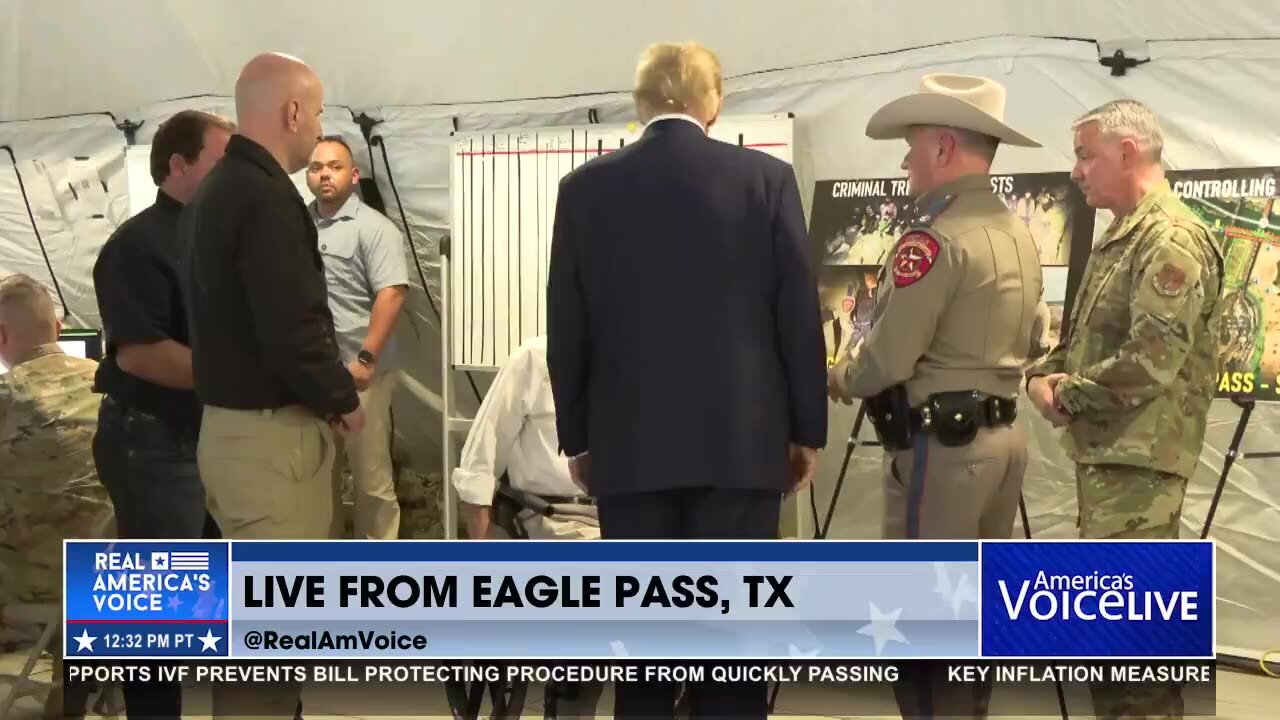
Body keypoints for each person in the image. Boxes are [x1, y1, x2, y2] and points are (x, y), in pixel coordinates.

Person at [546, 41, 825, 720]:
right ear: (715, 100)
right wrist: (805, 430)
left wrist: (579, 439)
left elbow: (567, 326)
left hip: (630, 451)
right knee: (732, 642)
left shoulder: (584, 189)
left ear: (640, 103)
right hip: (742, 447)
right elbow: (796, 315)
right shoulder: (765, 180)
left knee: (645, 644)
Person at [827, 73, 1043, 719]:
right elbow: (1034, 336)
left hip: (942, 454)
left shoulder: (933, 240)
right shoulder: (1016, 233)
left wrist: (835, 375)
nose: (903, 161)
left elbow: (887, 359)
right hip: (1001, 443)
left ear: (945, 147)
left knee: (924, 623)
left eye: (913, 145)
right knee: (973, 620)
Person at [1025, 99, 1224, 720]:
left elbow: (1151, 359)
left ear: (1127, 152)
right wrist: (1040, 378)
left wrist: (1064, 395)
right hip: (1115, 464)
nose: (1077, 171)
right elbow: (1082, 337)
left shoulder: (1171, 239)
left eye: (1086, 155)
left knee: (1130, 661)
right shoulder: (1123, 234)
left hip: (1138, 470)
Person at [179, 52, 363, 718]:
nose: (317, 127)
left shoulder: (216, 193)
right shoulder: (265, 197)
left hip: (232, 434)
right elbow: (292, 323)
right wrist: (341, 400)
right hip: (269, 445)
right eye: (315, 112)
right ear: (291, 112)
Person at [91, 108, 233, 719]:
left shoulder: (216, 236)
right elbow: (144, 354)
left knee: (226, 599)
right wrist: (246, 378)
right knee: (156, 618)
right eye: (222, 162)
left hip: (213, 436)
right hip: (153, 441)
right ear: (178, 164)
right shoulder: (138, 246)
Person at [451, 334, 603, 719]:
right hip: (552, 519)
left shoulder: (649, 359)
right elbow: (478, 464)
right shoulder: (534, 358)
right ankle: (572, 702)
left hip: (632, 519)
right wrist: (484, 551)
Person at [0, 274, 113, 718]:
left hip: (33, 581)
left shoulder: (8, 394)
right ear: (60, 330)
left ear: (2, 336)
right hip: (111, 572)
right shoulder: (112, 385)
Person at [305, 135, 409, 540]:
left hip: (360, 374)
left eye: (334, 166)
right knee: (317, 480)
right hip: (314, 375)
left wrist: (365, 361)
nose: (325, 174)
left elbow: (392, 293)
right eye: (316, 167)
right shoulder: (296, 226)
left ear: (354, 174)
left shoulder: (375, 228)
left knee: (370, 479)